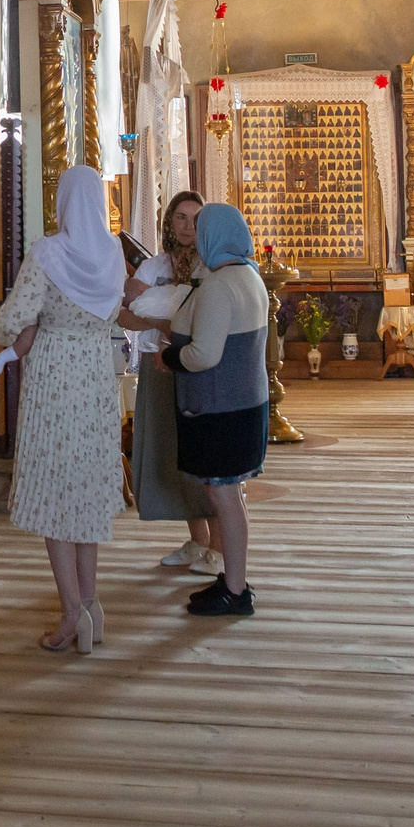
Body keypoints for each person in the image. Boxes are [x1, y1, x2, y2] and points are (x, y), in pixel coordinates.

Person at [0, 165, 127, 654]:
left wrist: (3, 340)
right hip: (94, 377)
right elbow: (114, 312)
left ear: (65, 202)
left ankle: (71, 613)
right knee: (85, 494)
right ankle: (91, 605)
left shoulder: (48, 254)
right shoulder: (113, 255)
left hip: (53, 379)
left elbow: (19, 315)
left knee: (53, 494)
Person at [166, 203, 271, 617]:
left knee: (224, 497)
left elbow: (204, 354)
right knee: (231, 496)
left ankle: (235, 589)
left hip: (220, 409)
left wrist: (169, 358)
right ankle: (233, 582)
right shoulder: (250, 276)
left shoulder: (218, 286)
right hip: (246, 405)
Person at [118, 190, 220, 576]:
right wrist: (167, 320)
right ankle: (198, 540)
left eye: (195, 218)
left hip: (198, 367)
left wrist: (162, 314)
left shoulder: (212, 266)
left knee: (204, 456)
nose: (187, 225)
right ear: (169, 223)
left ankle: (219, 548)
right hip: (156, 366)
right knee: (171, 455)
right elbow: (124, 316)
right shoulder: (152, 267)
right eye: (180, 217)